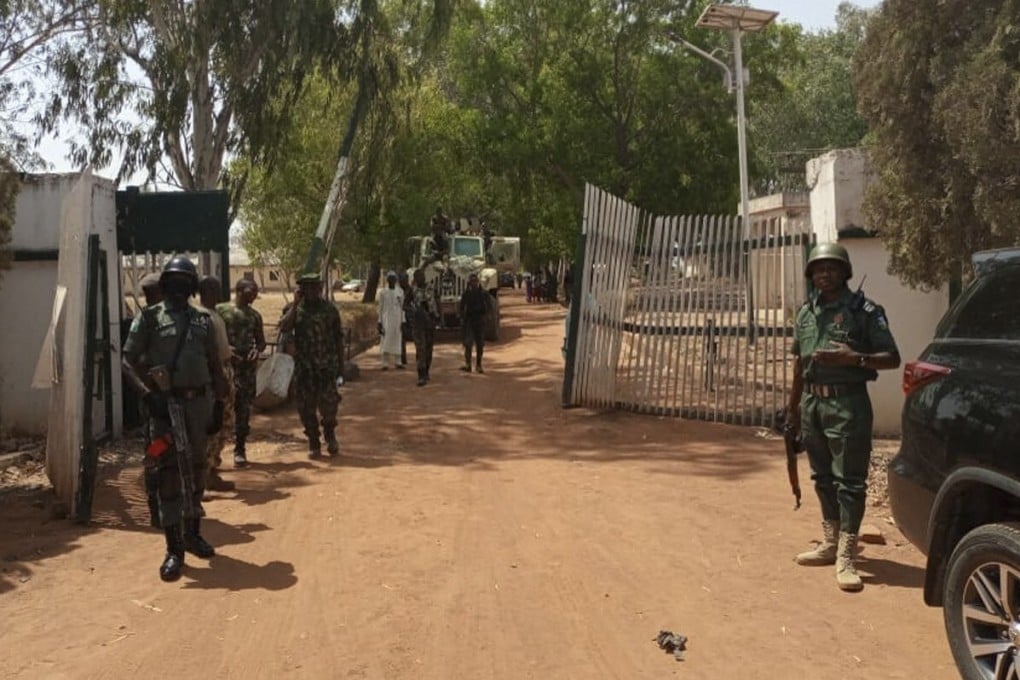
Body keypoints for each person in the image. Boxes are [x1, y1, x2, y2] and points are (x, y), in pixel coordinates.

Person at [787, 243, 900, 592]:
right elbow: (799, 365)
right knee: (822, 476)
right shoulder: (805, 314)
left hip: (848, 406)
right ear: (811, 275)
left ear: (845, 272)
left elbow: (892, 358)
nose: (825, 273)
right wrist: (791, 411)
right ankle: (830, 540)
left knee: (850, 481)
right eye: (818, 268)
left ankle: (848, 554)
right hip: (813, 405)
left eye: (832, 267)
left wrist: (855, 359)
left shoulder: (865, 311)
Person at [122, 256, 228, 582]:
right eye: (174, 282)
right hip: (163, 409)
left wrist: (220, 407)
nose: (179, 288)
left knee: (197, 470)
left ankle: (193, 532)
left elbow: (215, 366)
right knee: (167, 473)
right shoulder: (150, 319)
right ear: (165, 284)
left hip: (198, 406)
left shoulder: (202, 321)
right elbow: (127, 361)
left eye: (186, 282)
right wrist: (147, 395)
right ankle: (174, 549)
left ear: (192, 286)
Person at [279, 272, 344, 459]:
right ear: (301, 289)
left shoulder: (330, 310)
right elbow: (284, 328)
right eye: (308, 286)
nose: (313, 290)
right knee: (306, 409)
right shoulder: (294, 310)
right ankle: (313, 441)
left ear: (321, 288)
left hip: (326, 368)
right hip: (305, 369)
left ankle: (330, 436)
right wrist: (295, 304)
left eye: (316, 286)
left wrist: (341, 366)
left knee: (330, 406)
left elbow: (338, 339)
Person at [216, 279, 266, 468]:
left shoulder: (255, 316)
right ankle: (215, 454)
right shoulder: (222, 311)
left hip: (246, 369)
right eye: (251, 290)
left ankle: (240, 449)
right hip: (225, 368)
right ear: (238, 290)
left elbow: (260, 341)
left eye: (256, 291)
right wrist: (227, 350)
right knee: (220, 410)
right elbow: (213, 337)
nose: (254, 294)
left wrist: (257, 350)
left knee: (243, 410)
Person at [197, 276, 236, 492]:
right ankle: (203, 477)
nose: (220, 291)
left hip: (224, 369)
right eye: (216, 288)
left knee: (225, 424)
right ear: (208, 291)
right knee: (215, 424)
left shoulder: (215, 314)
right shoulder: (203, 317)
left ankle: (212, 471)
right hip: (215, 375)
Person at [138, 272, 165, 527]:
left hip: (176, 400)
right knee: (154, 451)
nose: (150, 299)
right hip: (154, 401)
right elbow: (131, 361)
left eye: (153, 293)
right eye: (147, 294)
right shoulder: (144, 322)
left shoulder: (176, 318)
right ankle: (155, 507)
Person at [409, 268, 441, 386]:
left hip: (430, 320)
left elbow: (438, 301)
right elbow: (405, 304)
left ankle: (426, 370)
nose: (421, 278)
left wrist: (439, 317)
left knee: (429, 347)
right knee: (420, 348)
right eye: (418, 277)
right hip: (418, 322)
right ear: (415, 279)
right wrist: (413, 311)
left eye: (422, 276)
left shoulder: (432, 288)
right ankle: (421, 374)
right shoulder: (412, 290)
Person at [459, 272, 489, 373]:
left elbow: (488, 306)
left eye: (475, 281)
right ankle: (468, 364)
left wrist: (486, 317)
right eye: (472, 281)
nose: (474, 283)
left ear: (478, 282)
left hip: (480, 321)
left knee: (480, 344)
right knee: (468, 344)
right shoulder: (466, 294)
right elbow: (462, 307)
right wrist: (462, 318)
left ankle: (478, 365)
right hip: (469, 321)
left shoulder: (483, 293)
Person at [377, 270, 404, 370]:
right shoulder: (383, 292)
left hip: (397, 319)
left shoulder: (400, 292)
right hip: (386, 319)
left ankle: (398, 362)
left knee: (398, 339)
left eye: (393, 278)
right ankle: (385, 363)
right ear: (387, 280)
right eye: (390, 279)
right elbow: (380, 308)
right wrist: (379, 322)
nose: (391, 280)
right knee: (385, 340)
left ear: (395, 280)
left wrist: (403, 321)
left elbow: (402, 307)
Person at [398, 272, 412, 368]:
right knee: (401, 337)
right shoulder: (397, 291)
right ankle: (402, 358)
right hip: (399, 315)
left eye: (405, 279)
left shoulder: (411, 290)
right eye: (402, 280)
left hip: (409, 316)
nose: (403, 281)